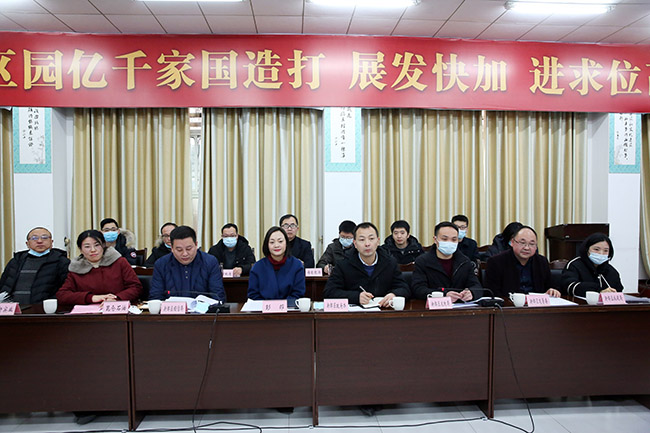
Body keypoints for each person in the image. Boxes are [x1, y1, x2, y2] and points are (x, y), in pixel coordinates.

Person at [324, 222, 410, 306]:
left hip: (383, 311)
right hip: (356, 313)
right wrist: (356, 297)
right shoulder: (343, 264)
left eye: (371, 239)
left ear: (378, 241)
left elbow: (404, 288)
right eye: (362, 240)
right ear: (355, 244)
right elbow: (329, 292)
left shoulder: (390, 262)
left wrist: (394, 294)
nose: (367, 244)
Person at [56, 230, 142, 305]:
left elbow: (136, 287)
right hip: (88, 313)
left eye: (97, 245)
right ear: (80, 249)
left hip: (117, 309)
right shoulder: (76, 267)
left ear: (103, 245)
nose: (93, 250)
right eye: (87, 246)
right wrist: (91, 298)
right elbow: (62, 295)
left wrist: (116, 298)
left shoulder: (119, 262)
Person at [149, 225, 226, 302]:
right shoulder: (161, 264)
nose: (185, 254)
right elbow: (156, 297)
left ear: (196, 245)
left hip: (202, 309)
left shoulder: (210, 262)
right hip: (172, 309)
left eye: (189, 249)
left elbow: (218, 296)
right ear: (172, 248)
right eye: (179, 250)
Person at [412, 221, 482, 302]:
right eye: (444, 239)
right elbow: (418, 289)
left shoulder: (465, 261)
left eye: (454, 239)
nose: (449, 242)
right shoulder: (422, 261)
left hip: (460, 306)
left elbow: (477, 286)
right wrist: (443, 294)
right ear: (435, 240)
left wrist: (472, 293)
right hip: (434, 306)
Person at [485, 225, 561, 299]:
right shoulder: (496, 262)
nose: (527, 248)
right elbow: (493, 294)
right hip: (509, 305)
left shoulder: (542, 262)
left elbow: (550, 286)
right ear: (512, 242)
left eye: (531, 244)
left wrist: (552, 291)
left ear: (536, 247)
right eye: (522, 243)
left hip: (536, 305)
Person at [0, 227, 69, 305]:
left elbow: (65, 289)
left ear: (51, 242)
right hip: (12, 307)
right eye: (34, 238)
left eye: (44, 237)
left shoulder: (61, 261)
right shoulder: (16, 261)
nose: (39, 241)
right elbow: (4, 284)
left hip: (42, 309)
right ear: (27, 244)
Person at [248, 226, 306, 301]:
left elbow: (298, 293)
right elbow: (253, 294)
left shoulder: (297, 265)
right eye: (272, 242)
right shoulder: (257, 267)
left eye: (280, 241)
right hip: (264, 307)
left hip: (289, 307)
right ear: (267, 245)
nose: (276, 245)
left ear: (286, 243)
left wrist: (283, 305)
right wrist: (268, 305)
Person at [562, 232, 624, 297]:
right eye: (596, 249)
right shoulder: (575, 265)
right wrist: (598, 290)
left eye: (606, 251)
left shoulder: (611, 270)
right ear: (587, 249)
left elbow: (619, 290)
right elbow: (570, 286)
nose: (601, 253)